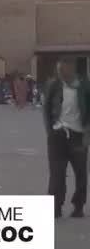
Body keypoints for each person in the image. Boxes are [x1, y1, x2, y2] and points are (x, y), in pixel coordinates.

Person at [42, 57, 90, 218]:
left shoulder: (84, 86)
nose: (61, 72)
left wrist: (87, 133)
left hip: (78, 136)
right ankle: (55, 207)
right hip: (58, 135)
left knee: (81, 174)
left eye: (63, 69)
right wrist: (50, 130)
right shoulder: (54, 85)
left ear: (72, 69)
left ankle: (78, 206)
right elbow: (46, 108)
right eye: (59, 70)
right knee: (57, 174)